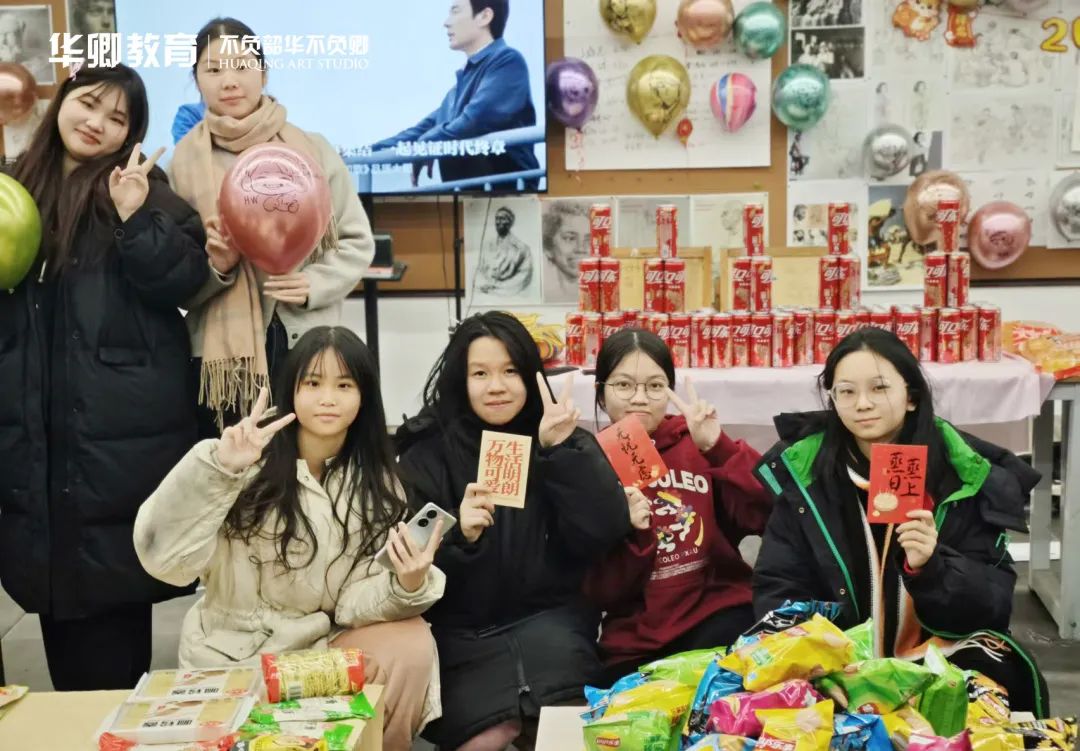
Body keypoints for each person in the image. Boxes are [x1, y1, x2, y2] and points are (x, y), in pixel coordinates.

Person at [135, 327, 443, 751]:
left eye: (344, 385)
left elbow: (352, 601)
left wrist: (405, 583)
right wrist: (220, 469)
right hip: (239, 660)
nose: (328, 398)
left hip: (318, 654)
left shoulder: (377, 484)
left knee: (411, 642)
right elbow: (166, 561)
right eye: (313, 383)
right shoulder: (243, 464)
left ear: (364, 397)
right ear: (291, 390)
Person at [0, 63, 208, 690]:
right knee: (60, 624)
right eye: (89, 104)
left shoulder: (144, 188)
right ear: (62, 101)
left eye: (117, 118)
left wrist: (133, 217)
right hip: (34, 443)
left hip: (112, 451)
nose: (97, 123)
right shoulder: (16, 188)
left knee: (112, 656)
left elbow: (184, 278)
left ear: (131, 135)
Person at [752, 328, 1049, 715]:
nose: (862, 404)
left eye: (879, 388)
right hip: (837, 659)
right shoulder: (806, 475)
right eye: (846, 392)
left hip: (940, 654)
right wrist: (819, 659)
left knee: (1000, 680)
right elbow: (778, 586)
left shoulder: (961, 475)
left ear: (911, 396)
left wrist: (932, 567)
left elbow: (992, 606)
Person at [394, 311, 630, 751]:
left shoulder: (558, 436)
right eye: (480, 374)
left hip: (552, 623)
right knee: (487, 735)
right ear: (460, 380)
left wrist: (562, 452)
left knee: (567, 732)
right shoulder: (425, 455)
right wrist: (459, 533)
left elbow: (604, 530)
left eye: (510, 371)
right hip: (461, 636)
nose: (496, 386)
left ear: (530, 375)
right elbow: (405, 567)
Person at [170, 17, 374, 434]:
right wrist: (218, 267)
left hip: (307, 338)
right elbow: (175, 270)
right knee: (235, 459)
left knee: (309, 453)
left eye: (242, 67)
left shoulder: (312, 149)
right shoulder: (183, 165)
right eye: (213, 69)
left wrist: (314, 283)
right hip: (223, 359)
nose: (229, 81)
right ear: (197, 80)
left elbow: (356, 240)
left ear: (263, 73)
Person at [584, 330, 772, 686]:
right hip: (636, 638)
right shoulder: (588, 464)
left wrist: (718, 448)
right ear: (600, 392)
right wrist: (626, 527)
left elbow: (768, 513)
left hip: (716, 612)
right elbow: (601, 589)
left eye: (655, 386)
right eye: (623, 385)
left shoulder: (695, 442)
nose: (640, 398)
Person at [369, 0, 539, 189]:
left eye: (455, 11)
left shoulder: (508, 62)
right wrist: (363, 153)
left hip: (508, 197)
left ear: (485, 16)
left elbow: (474, 121)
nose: (446, 22)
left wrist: (425, 145)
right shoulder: (457, 90)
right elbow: (418, 132)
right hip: (471, 196)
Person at [476, 206, 532, 296]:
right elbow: (480, 269)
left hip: (508, 294)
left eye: (502, 218)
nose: (498, 222)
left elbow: (523, 276)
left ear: (510, 222)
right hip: (485, 293)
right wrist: (484, 284)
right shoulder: (487, 245)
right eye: (497, 219)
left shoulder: (522, 249)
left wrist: (498, 287)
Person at [540, 201, 589, 303]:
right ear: (548, 247)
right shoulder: (543, 295)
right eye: (569, 238)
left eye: (589, 240)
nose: (581, 249)